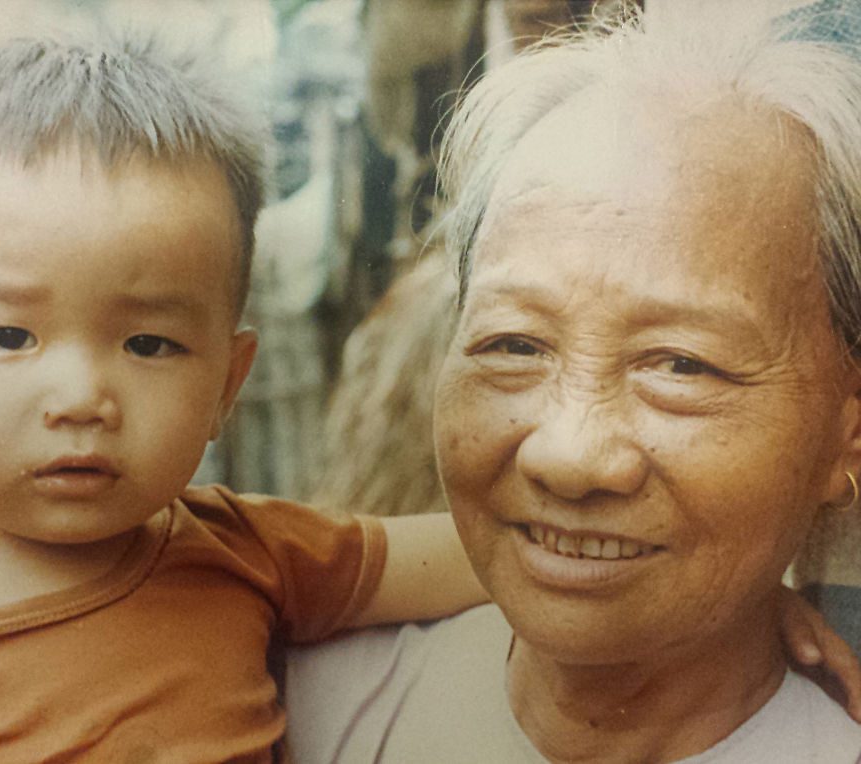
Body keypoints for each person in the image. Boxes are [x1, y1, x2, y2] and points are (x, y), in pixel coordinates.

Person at [0, 31, 491, 762]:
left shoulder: (248, 552)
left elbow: (490, 553)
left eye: (148, 344)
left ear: (226, 384)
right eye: (8, 336)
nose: (81, 399)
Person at [286, 2, 861, 761]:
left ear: (846, 435)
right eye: (514, 344)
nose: (568, 454)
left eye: (681, 364)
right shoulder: (276, 712)